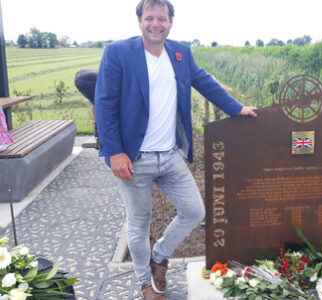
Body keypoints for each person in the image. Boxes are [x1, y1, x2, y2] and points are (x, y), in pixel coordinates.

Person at [94, 0, 257, 299]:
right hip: (133, 158)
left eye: (162, 18)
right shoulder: (118, 53)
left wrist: (237, 108)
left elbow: (205, 82)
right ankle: (147, 282)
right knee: (139, 223)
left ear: (171, 22)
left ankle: (160, 255)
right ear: (139, 21)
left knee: (195, 211)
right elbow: (104, 104)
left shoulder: (180, 53)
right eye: (150, 18)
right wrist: (114, 151)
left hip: (169, 155)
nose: (156, 24)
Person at [74, 69, 99, 149]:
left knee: (97, 103)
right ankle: (99, 136)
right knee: (99, 105)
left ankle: (98, 134)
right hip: (85, 80)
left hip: (81, 76)